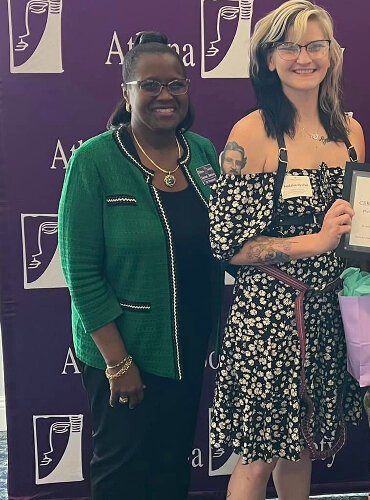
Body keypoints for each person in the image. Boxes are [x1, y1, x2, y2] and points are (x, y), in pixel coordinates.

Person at [208, 1, 365, 498]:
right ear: (268, 59)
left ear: (332, 54)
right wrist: (314, 242)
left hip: (328, 312)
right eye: (289, 46)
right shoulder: (250, 133)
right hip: (268, 316)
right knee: (257, 456)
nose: (304, 57)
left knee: (302, 447)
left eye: (315, 44)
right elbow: (228, 246)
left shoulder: (351, 132)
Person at [58, 31, 223, 500]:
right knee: (123, 474)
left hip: (188, 346)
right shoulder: (94, 161)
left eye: (176, 84)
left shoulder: (205, 154)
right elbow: (81, 272)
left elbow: (228, 238)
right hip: (127, 351)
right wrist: (117, 362)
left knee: (172, 470)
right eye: (150, 85)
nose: (165, 95)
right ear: (126, 92)